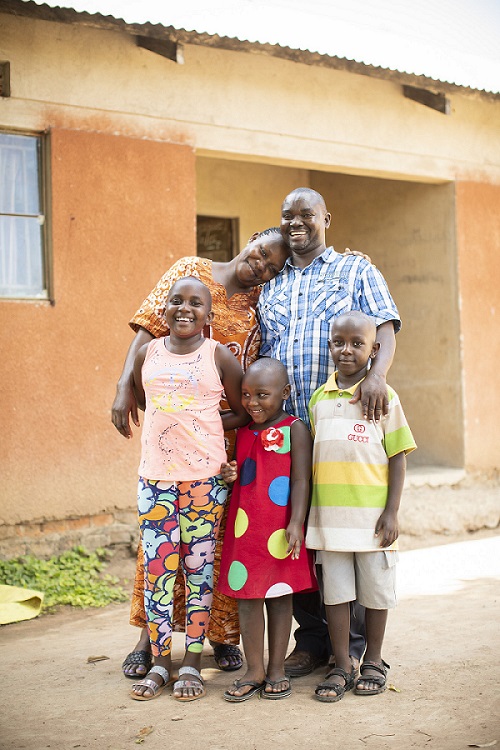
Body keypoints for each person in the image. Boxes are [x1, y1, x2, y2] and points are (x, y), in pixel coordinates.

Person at [113, 229, 290, 678]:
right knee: (160, 547)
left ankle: (218, 634)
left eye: (272, 267)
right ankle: (148, 642)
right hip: (167, 438)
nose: (261, 266)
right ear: (251, 239)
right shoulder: (190, 271)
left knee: (211, 547)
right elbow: (148, 328)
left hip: (219, 438)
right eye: (261, 253)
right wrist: (121, 387)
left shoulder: (260, 302)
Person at [258, 187, 402, 678]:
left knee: (354, 531)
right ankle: (315, 640)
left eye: (306, 215)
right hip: (292, 428)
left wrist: (377, 376)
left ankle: (357, 648)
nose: (295, 223)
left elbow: (384, 328)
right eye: (287, 216)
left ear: (326, 219)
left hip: (345, 426)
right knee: (300, 534)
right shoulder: (272, 283)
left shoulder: (355, 269)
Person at [130, 277, 249, 701]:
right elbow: (149, 404)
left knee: (198, 575)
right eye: (176, 301)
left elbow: (243, 411)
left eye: (195, 303)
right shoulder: (148, 352)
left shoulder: (217, 356)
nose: (184, 308)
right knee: (159, 573)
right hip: (156, 480)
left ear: (209, 316)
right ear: (163, 310)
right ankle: (161, 661)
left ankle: (193, 663)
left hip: (204, 484)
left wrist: (205, 427)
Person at [306, 311, 416, 701]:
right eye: (339, 343)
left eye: (357, 343)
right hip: (330, 523)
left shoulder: (384, 398)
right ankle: (341, 663)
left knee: (376, 594)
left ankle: (373, 659)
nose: (347, 350)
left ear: (375, 349)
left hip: (371, 522)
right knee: (335, 596)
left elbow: (398, 455)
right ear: (330, 345)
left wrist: (391, 511)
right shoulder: (319, 399)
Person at [217, 358, 317, 701]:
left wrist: (296, 523)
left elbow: (303, 479)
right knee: (248, 600)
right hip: (245, 529)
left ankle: (276, 668)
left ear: (285, 393)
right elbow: (241, 473)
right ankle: (254, 669)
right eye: (245, 395)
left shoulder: (295, 428)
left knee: (279, 598)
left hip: (280, 530)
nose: (252, 403)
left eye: (262, 394)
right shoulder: (243, 431)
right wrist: (229, 475)